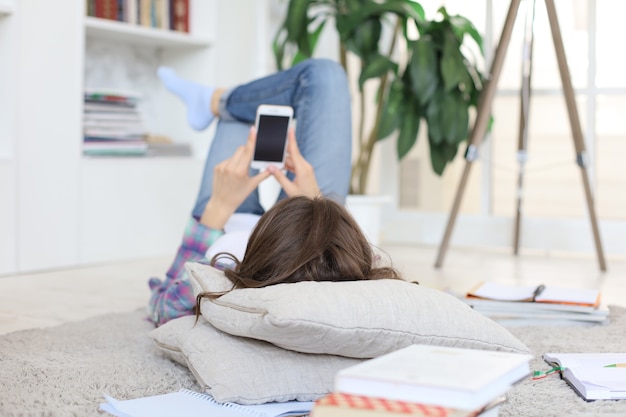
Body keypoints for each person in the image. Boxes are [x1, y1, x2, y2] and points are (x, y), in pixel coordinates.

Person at [147, 58, 400, 326]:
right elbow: (367, 259)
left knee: (240, 115)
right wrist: (318, 210)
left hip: (227, 220)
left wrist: (217, 208)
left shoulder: (224, 270)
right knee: (325, 76)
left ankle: (217, 101)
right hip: (307, 228)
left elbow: (166, 310)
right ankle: (216, 100)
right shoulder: (344, 274)